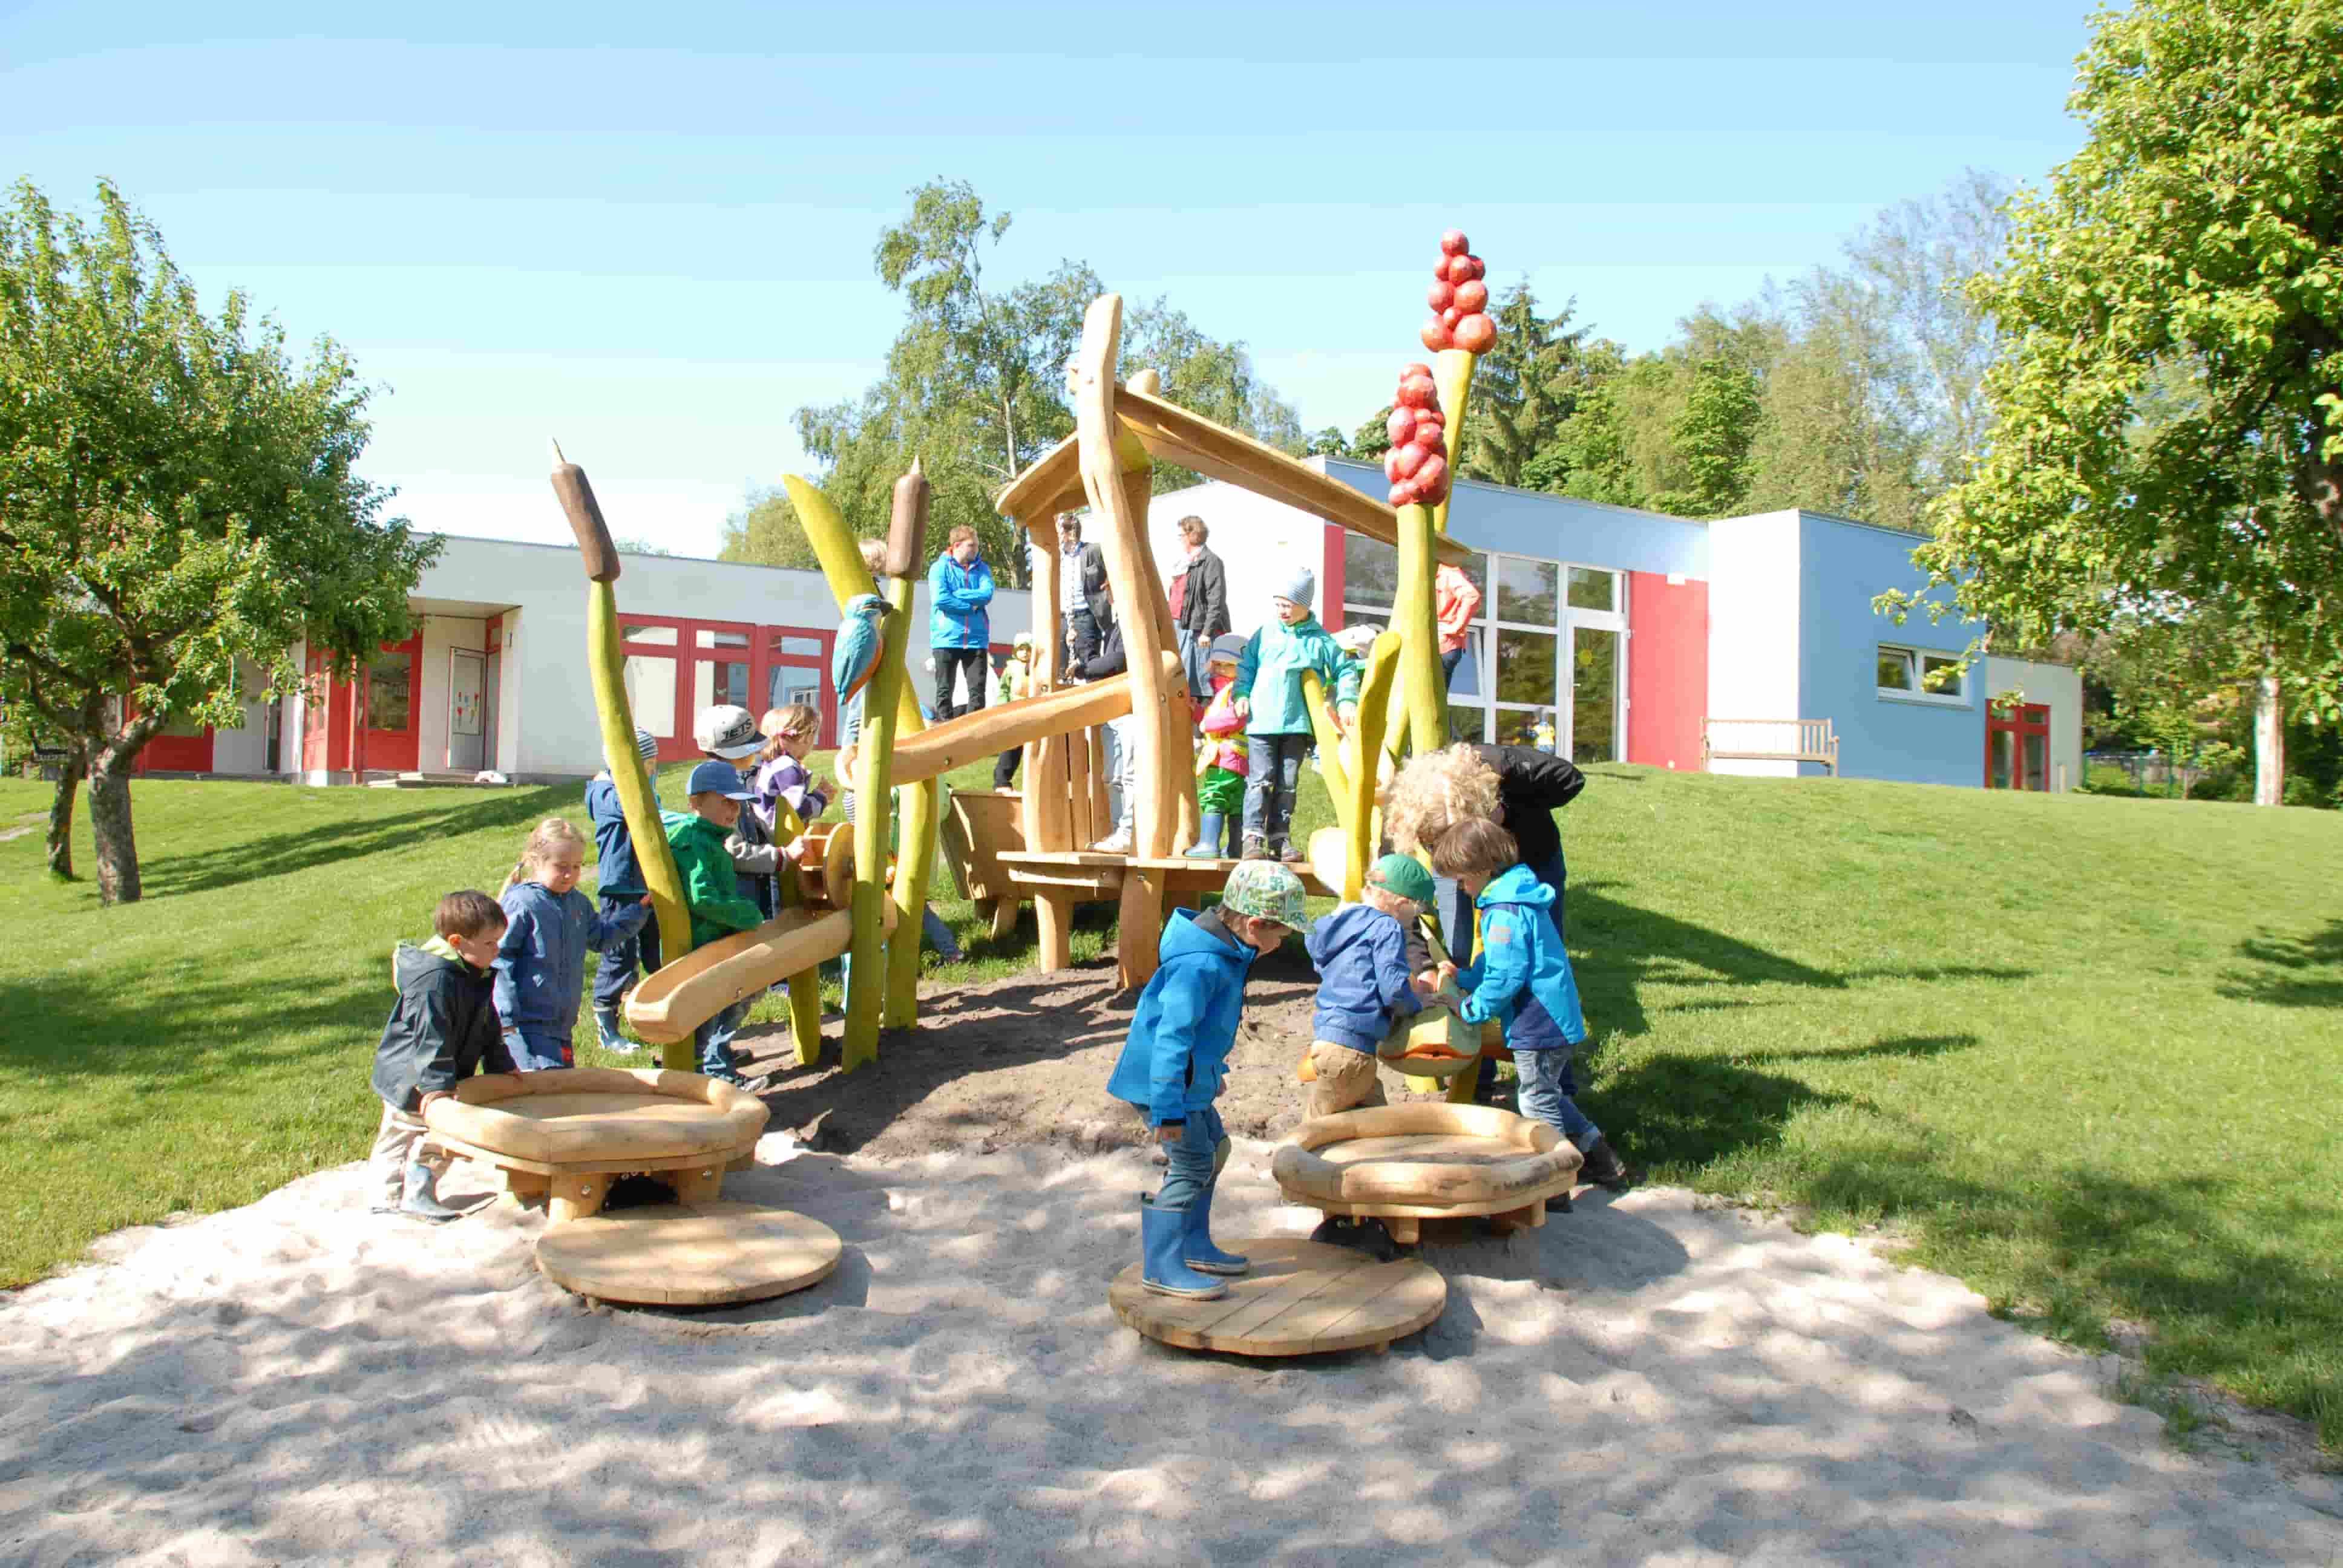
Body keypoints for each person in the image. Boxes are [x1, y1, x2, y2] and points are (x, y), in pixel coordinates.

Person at [1105, 860, 1309, 1299]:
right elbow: (1171, 1039)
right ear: (1255, 925)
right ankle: (1161, 1265)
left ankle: (1193, 1244)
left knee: (1215, 1149)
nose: (1281, 943)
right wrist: (1168, 1109)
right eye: (1282, 935)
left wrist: (1211, 1075)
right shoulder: (1201, 966)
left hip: (1185, 1082)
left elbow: (1203, 1035)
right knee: (1192, 1162)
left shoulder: (1228, 953)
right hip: (1162, 1087)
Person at [1428, 817, 1630, 1190]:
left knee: (1535, 1104)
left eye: (1461, 876)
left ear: (1483, 867)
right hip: (1555, 1019)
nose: (1460, 884)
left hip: (1538, 1023)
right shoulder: (1515, 898)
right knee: (1547, 1094)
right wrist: (1466, 978)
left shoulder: (1504, 911)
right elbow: (1498, 962)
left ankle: (1554, 1181)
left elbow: (1507, 977)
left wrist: (1470, 1009)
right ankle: (1601, 1158)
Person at [1383, 741, 1587, 1102]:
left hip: (1532, 864)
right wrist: (1424, 964)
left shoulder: (1496, 768)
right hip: (1476, 867)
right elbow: (1405, 908)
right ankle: (1476, 1076)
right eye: (1435, 846)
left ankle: (1555, 1087)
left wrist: (1504, 811)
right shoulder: (1419, 814)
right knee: (1465, 956)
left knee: (1542, 966)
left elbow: (1570, 779)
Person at [369, 889, 519, 1221]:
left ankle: (407, 1192)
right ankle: (398, 1196)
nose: (497, 950)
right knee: (415, 1133)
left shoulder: (472, 971)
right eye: (490, 944)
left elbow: (487, 1021)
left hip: (433, 1070)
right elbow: (430, 1036)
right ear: (457, 941)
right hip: (411, 1074)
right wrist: (436, 1087)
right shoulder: (435, 983)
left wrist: (501, 1065)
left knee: (422, 1134)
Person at [494, 818, 650, 1071]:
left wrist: (638, 913)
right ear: (536, 861)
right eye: (561, 866)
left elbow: (601, 937)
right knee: (542, 1093)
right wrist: (506, 1016)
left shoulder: (577, 904)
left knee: (560, 1093)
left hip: (561, 1025)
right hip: (524, 1026)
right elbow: (499, 959)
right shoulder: (522, 904)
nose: (570, 874)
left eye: (577, 866)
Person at [661, 760, 776, 1091]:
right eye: (725, 801)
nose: (734, 810)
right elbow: (704, 899)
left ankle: (709, 1073)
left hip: (717, 942)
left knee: (726, 1004)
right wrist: (747, 914)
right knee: (707, 1015)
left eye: (737, 803)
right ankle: (710, 1079)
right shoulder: (695, 842)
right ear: (696, 803)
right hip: (705, 945)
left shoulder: (710, 838)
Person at [1302, 853, 1441, 1120]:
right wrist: (1417, 1004)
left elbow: (1316, 949)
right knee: (1314, 1129)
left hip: (1330, 1040)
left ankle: (1384, 1160)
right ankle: (1286, 1161)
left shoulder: (1341, 922)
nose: (1416, 918)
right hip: (1351, 1051)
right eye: (1417, 911)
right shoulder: (1387, 927)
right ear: (1402, 904)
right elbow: (1393, 989)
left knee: (1377, 1123)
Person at [1231, 566, 1355, 863]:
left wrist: (1347, 700)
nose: (1282, 611)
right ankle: (1252, 837)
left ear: (1305, 606)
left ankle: (1279, 838)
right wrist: (1242, 694)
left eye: (1288, 605)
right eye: (1278, 604)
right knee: (1260, 779)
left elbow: (1346, 669)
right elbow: (1246, 667)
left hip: (1297, 725)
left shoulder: (1320, 640)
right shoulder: (1265, 634)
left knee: (1287, 782)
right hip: (1262, 721)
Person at [585, 726, 663, 1053]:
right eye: (649, 764)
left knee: (658, 952)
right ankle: (607, 1026)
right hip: (621, 889)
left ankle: (661, 1015)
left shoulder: (628, 787)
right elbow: (637, 809)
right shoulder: (604, 793)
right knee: (618, 958)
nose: (654, 770)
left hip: (647, 884)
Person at [696, 704, 779, 918]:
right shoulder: (720, 792)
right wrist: (781, 857)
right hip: (736, 903)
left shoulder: (732, 783)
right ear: (740, 754)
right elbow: (734, 852)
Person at [1073, 594, 1135, 852]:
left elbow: (1118, 660)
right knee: (1113, 776)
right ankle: (1118, 831)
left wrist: (1086, 669)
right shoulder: (1113, 627)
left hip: (1131, 707)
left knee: (1129, 773)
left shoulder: (1135, 623)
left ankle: (1130, 831)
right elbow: (1103, 659)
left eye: (1111, 592)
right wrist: (1082, 658)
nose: (1109, 598)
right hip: (1114, 709)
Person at [1182, 633, 1248, 858]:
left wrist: (1205, 722)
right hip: (1236, 758)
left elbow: (1236, 718)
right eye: (1217, 664)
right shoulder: (1224, 691)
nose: (1220, 669)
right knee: (1237, 803)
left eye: (1227, 666)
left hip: (1224, 757)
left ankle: (1209, 844)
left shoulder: (1237, 690)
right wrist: (1198, 712)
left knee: (1215, 796)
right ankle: (1235, 848)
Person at [928, 524, 995, 722]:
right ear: (957, 545)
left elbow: (986, 594)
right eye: (971, 546)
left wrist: (958, 594)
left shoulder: (982, 569)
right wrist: (970, 607)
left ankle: (972, 733)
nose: (976, 549)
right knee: (944, 689)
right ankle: (944, 733)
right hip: (946, 638)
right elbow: (941, 599)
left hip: (976, 639)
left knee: (977, 690)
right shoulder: (939, 568)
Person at [1167, 514, 1228, 707]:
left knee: (1203, 684)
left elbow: (1215, 599)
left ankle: (1205, 730)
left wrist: (1207, 632)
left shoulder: (1211, 561)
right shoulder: (1184, 563)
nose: (1179, 540)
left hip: (1199, 632)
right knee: (1184, 681)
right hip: (1182, 627)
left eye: (1181, 535)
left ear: (1191, 535)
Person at [750, 702, 830, 841]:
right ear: (806, 737)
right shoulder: (787, 766)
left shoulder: (776, 763)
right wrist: (821, 798)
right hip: (778, 838)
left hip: (765, 833)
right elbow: (798, 808)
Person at [1055, 512, 1110, 667]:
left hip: (1085, 616)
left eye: (1059, 532)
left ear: (1070, 533)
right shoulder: (1057, 556)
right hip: (1062, 618)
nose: (1056, 536)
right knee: (1061, 664)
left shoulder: (1092, 551)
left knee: (1088, 662)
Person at [993, 633, 1036, 789]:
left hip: (1035, 713)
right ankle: (1002, 781)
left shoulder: (1039, 667)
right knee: (1011, 748)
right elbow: (1003, 689)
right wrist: (1002, 707)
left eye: (1028, 649)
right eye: (1021, 649)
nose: (1025, 653)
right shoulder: (1011, 668)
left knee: (1036, 750)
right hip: (1015, 713)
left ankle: (1037, 783)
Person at [1435, 561, 1481, 691]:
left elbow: (1472, 596)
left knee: (1433, 699)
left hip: (1443, 645)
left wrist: (1456, 627)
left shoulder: (1447, 573)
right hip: (1441, 645)